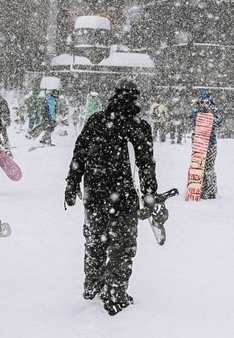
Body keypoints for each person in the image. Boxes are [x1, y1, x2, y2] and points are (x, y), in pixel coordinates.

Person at [65, 78, 158, 316]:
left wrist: (72, 183)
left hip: (94, 193)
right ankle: (115, 291)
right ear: (136, 99)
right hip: (124, 195)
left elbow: (80, 153)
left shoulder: (96, 121)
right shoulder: (139, 126)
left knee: (96, 239)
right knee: (123, 245)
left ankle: (93, 284)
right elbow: (146, 165)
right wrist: (149, 195)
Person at [188, 91, 223, 199]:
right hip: (199, 142)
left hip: (211, 143)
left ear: (210, 102)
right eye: (202, 102)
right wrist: (199, 110)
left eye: (206, 102)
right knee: (198, 167)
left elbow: (218, 122)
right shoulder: (196, 111)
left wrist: (210, 113)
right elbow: (191, 117)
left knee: (209, 167)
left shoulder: (214, 112)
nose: (204, 104)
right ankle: (199, 188)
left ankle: (211, 190)